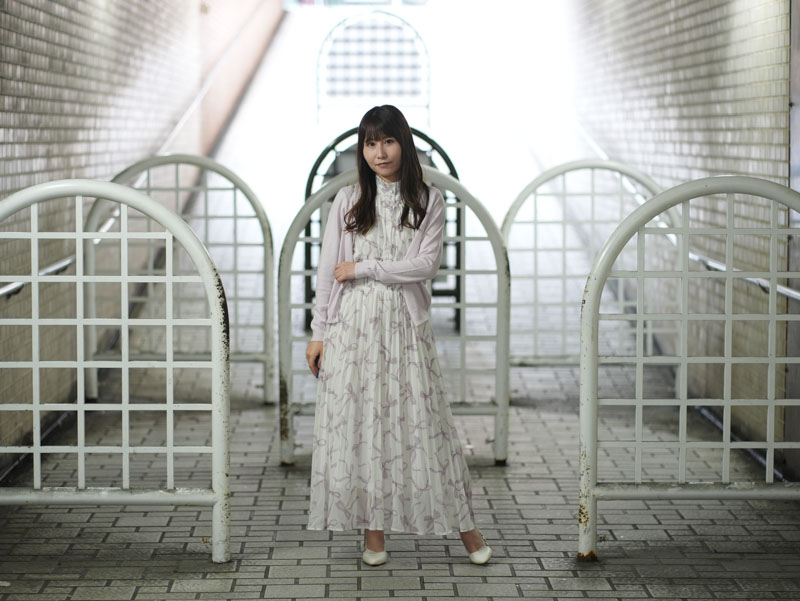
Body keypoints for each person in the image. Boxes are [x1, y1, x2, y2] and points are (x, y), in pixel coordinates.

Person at [305, 105, 492, 566]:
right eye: (370, 143)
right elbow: (328, 272)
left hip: (406, 329)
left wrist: (365, 267)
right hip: (352, 328)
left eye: (387, 141)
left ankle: (468, 532)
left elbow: (424, 266)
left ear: (403, 144)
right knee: (364, 425)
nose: (380, 152)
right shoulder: (348, 200)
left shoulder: (429, 199)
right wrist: (318, 333)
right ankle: (374, 538)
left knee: (426, 426)